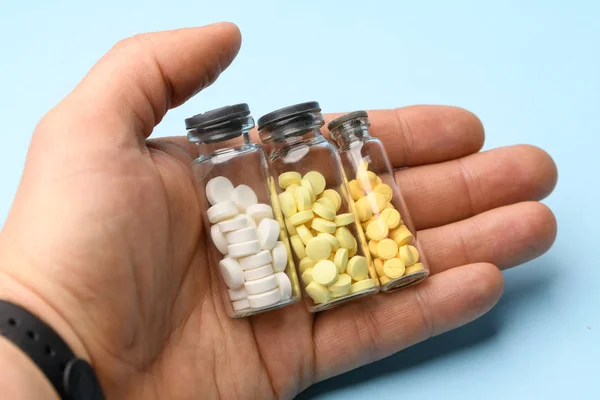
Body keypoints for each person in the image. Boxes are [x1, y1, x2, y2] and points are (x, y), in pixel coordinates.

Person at [0, 22, 557, 399]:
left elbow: (330, 223)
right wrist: (57, 313)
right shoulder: (235, 163)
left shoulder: (311, 154)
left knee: (344, 233)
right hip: (260, 301)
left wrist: (44, 329)